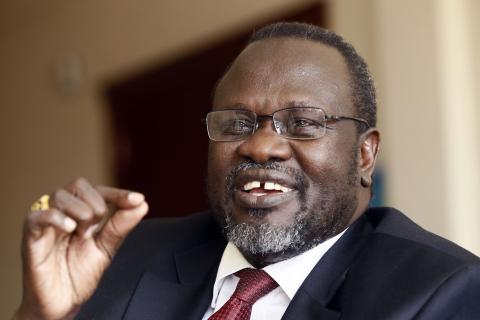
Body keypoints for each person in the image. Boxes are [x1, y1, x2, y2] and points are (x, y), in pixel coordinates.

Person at [14, 22, 480, 320]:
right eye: (237, 123)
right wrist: (43, 314)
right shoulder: (126, 257)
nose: (260, 146)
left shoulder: (439, 294)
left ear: (363, 154)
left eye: (302, 123)